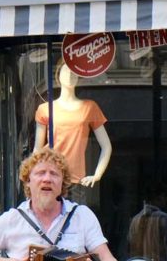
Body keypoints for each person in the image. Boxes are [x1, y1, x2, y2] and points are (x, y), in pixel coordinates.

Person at [34, 65, 112, 206]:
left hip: (77, 181)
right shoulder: (45, 109)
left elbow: (106, 146)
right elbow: (37, 151)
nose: (70, 75)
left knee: (75, 224)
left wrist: (97, 175)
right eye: (66, 71)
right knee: (50, 224)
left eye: (74, 72)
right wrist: (35, 179)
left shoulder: (89, 107)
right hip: (50, 178)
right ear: (58, 75)